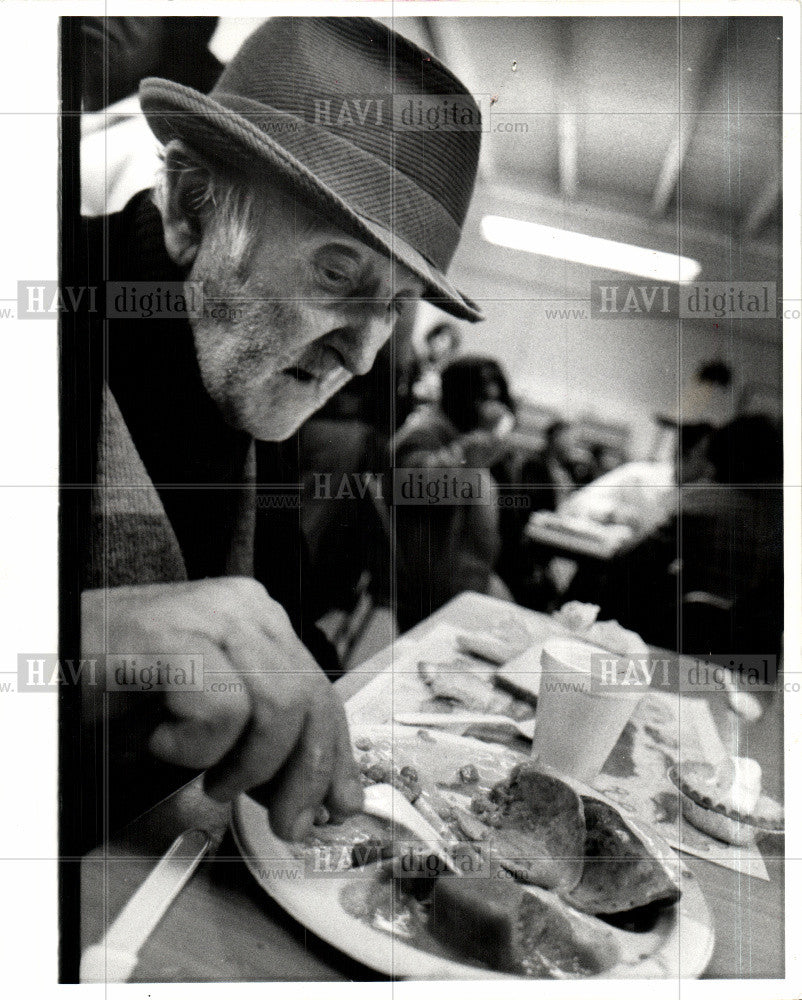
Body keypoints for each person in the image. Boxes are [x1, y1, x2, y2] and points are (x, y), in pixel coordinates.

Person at [74, 17, 484, 845]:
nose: (365, 357)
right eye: (339, 274)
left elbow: (284, 636)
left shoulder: (256, 375)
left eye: (397, 305)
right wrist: (85, 628)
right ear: (193, 207)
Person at [392, 357, 514, 628]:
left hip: (466, 568)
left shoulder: (460, 433)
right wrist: (473, 449)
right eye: (482, 399)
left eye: (496, 399)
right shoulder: (425, 430)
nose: (491, 409)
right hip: (434, 572)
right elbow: (413, 487)